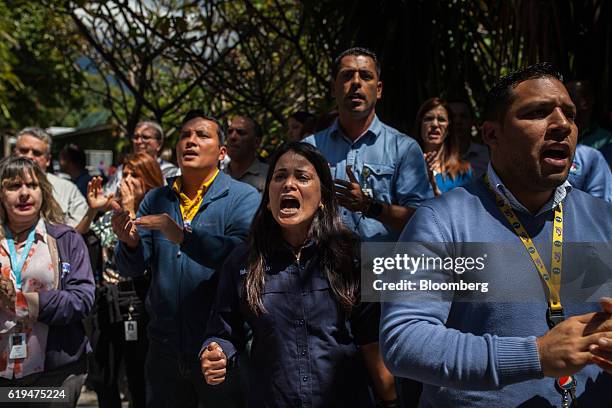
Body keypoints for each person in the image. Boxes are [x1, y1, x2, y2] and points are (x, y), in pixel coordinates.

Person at [380, 63, 612, 407]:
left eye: (570, 114)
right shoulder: (438, 218)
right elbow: (403, 341)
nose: (562, 125)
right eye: (537, 112)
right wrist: (535, 355)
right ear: (491, 135)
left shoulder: (603, 219)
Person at [201, 142, 397, 407]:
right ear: (269, 200)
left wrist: (391, 400)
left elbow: (372, 339)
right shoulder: (242, 260)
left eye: (302, 177)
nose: (288, 184)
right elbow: (222, 330)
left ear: (323, 199)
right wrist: (215, 351)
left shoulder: (356, 256)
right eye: (279, 177)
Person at [111, 110, 260, 407]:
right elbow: (132, 266)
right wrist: (129, 243)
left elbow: (239, 255)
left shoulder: (243, 197)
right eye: (184, 136)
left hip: (219, 348)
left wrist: (183, 237)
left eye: (202, 135)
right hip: (163, 348)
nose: (190, 141)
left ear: (221, 153)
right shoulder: (156, 198)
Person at [304, 47, 433, 243]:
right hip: (321, 267)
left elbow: (423, 219)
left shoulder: (404, 148)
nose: (356, 82)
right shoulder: (309, 148)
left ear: (378, 89)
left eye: (365, 76)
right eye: (347, 76)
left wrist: (369, 206)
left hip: (380, 267)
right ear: (333, 88)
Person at [0, 157, 95, 406]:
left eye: (32, 185)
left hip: (56, 373)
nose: (24, 194)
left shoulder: (66, 238)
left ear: (43, 190)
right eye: (13, 186)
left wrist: (23, 301)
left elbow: (82, 299)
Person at [77, 152, 163, 408]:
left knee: (138, 374)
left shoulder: (159, 213)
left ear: (149, 180)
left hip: (140, 302)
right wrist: (93, 210)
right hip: (106, 300)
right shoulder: (111, 212)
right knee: (103, 374)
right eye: (124, 174)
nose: (127, 180)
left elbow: (141, 247)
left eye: (135, 175)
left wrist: (128, 207)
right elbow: (77, 237)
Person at [14, 127, 88, 228]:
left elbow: (79, 229)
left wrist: (93, 210)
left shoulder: (67, 189)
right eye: (24, 150)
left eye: (37, 153)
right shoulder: (2, 184)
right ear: (14, 153)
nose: (29, 156)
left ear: (48, 160)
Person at [414, 97, 473, 195]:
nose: (435, 124)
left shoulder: (463, 170)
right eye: (429, 119)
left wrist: (434, 188)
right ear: (420, 124)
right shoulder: (405, 167)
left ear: (449, 127)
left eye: (441, 119)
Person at [104, 120, 179, 193]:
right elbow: (108, 195)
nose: (139, 141)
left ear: (159, 144)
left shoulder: (171, 173)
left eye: (145, 137)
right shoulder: (121, 170)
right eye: (135, 137)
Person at [224, 115, 269, 193]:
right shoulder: (216, 175)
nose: (232, 137)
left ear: (256, 142)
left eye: (241, 133)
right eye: (230, 132)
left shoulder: (270, 176)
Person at [447, 99, 490, 178]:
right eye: (453, 117)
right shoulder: (436, 160)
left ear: (472, 121)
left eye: (463, 116)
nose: (458, 121)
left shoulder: (488, 156)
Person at [565, 80, 612, 149]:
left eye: (570, 96)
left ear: (585, 102)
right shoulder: (558, 134)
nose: (563, 101)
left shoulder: (607, 141)